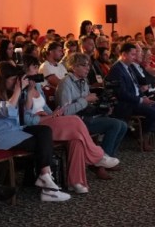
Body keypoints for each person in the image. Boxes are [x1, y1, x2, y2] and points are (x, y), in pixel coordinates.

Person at [22, 55, 118, 194]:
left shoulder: (36, 85)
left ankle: (75, 182)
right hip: (37, 127)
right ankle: (98, 156)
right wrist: (49, 116)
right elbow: (26, 119)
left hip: (49, 120)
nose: (37, 71)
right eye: (34, 68)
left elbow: (44, 107)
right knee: (75, 120)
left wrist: (54, 113)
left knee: (76, 140)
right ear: (25, 70)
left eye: (37, 67)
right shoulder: (21, 89)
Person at [0, 61, 71, 202]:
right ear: (2, 80)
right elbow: (7, 111)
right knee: (41, 143)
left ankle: (45, 177)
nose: (15, 83)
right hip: (3, 136)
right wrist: (18, 90)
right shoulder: (0, 95)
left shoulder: (12, 93)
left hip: (17, 130)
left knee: (45, 131)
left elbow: (25, 113)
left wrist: (29, 92)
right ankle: (47, 185)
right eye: (12, 79)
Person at [55, 53, 127, 160]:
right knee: (115, 124)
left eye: (88, 65)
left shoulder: (84, 81)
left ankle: (108, 157)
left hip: (85, 117)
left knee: (123, 125)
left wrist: (102, 109)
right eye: (84, 65)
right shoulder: (65, 83)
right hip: (74, 122)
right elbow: (65, 112)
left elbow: (88, 106)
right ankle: (101, 160)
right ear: (74, 67)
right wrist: (85, 100)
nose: (88, 68)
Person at [105, 43, 155, 151]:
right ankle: (143, 138)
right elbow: (121, 93)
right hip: (126, 103)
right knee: (154, 113)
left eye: (135, 54)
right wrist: (141, 100)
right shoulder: (117, 69)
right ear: (124, 54)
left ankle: (143, 134)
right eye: (132, 54)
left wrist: (144, 98)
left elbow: (137, 87)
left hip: (136, 99)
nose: (135, 57)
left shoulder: (129, 67)